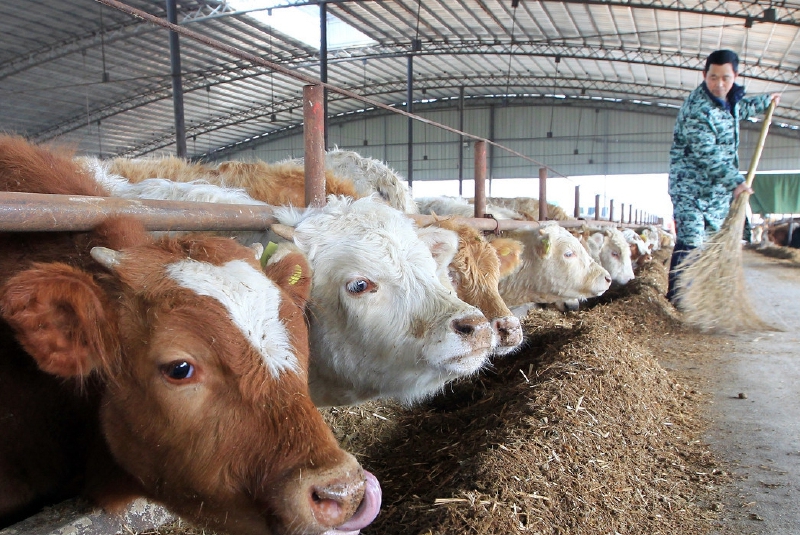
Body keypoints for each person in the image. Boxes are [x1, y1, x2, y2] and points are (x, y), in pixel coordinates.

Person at [666, 49, 780, 303]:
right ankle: (678, 300)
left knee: (710, 243)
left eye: (725, 78)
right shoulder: (698, 109)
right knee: (691, 239)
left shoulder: (729, 101)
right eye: (713, 77)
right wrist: (736, 182)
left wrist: (767, 100)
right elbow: (707, 154)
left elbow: (741, 108)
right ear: (704, 74)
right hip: (690, 188)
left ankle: (702, 298)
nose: (719, 84)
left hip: (715, 192)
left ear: (735, 76)